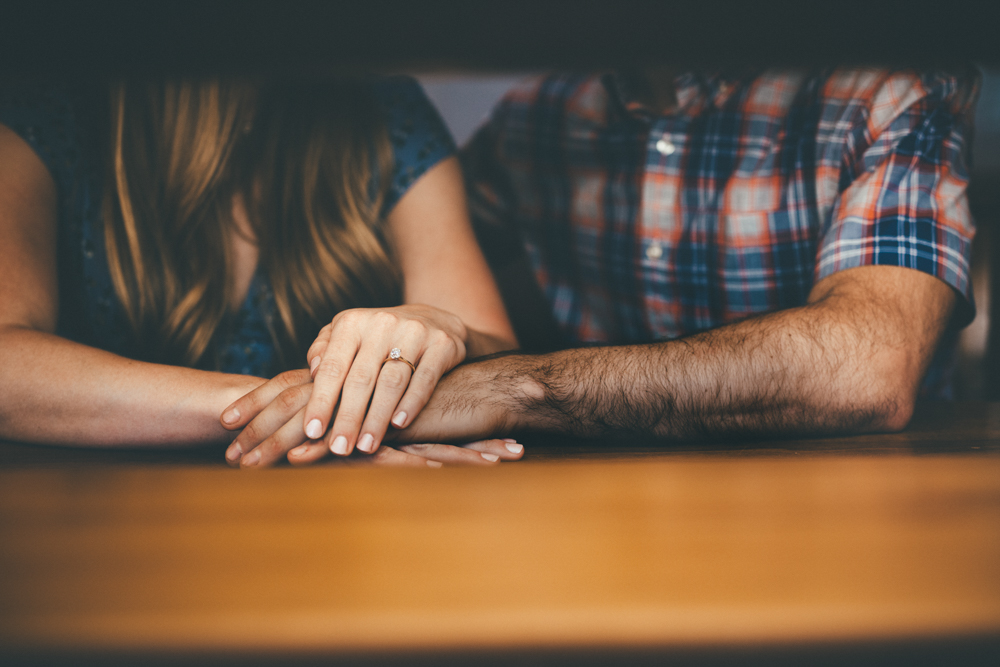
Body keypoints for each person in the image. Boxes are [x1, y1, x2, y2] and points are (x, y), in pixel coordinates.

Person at [323, 66, 978, 447]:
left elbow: (867, 367)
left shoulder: (888, 96)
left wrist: (520, 385)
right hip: (606, 515)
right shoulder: (535, 120)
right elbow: (427, 283)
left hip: (865, 515)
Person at [0, 76, 523, 467]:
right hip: (97, 520)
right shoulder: (53, 103)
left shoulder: (381, 108)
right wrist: (307, 412)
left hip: (335, 520)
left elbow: (500, 359)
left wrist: (440, 328)